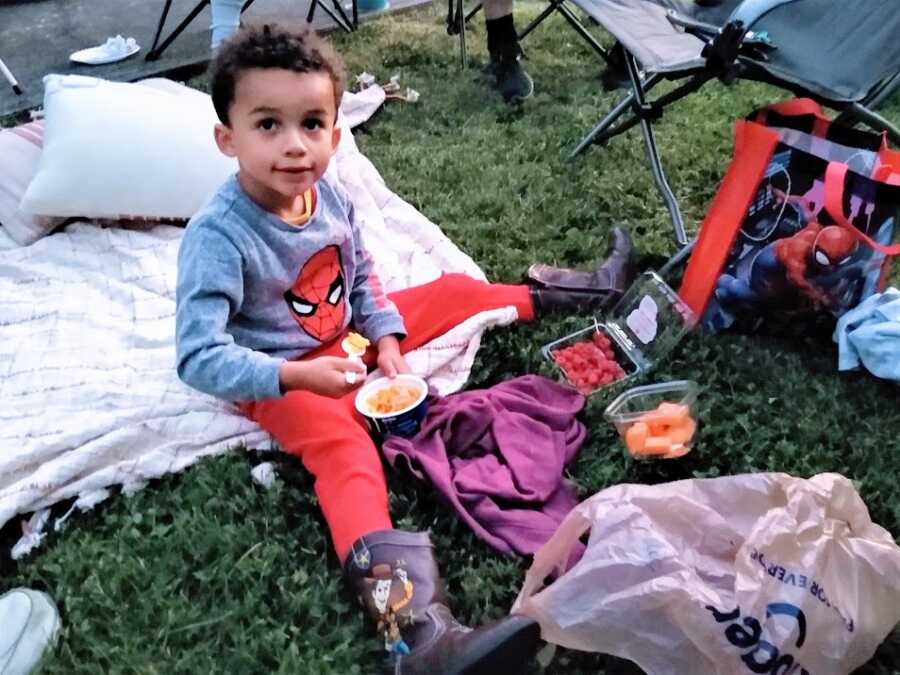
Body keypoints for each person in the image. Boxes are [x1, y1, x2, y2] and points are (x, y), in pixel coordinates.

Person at [175, 24, 633, 673]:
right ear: (229, 138)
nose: (295, 145)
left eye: (312, 123)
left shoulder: (327, 192)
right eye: (268, 125)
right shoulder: (219, 237)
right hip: (276, 375)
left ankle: (587, 293)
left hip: (348, 340)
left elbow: (359, 275)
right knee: (346, 456)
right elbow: (198, 357)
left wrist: (386, 334)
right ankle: (415, 633)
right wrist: (295, 377)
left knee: (450, 291)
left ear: (337, 133)